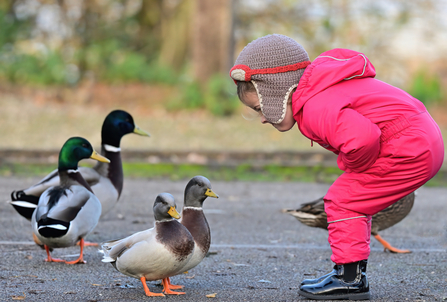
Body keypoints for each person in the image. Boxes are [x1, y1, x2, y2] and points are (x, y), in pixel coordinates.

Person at [229, 34, 444, 300]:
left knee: (344, 201)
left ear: (276, 90)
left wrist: (354, 165)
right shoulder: (323, 90)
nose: (262, 118)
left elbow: (362, 139)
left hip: (408, 147)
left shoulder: (315, 107)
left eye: (261, 107)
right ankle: (350, 274)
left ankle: (350, 280)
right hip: (421, 139)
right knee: (351, 198)